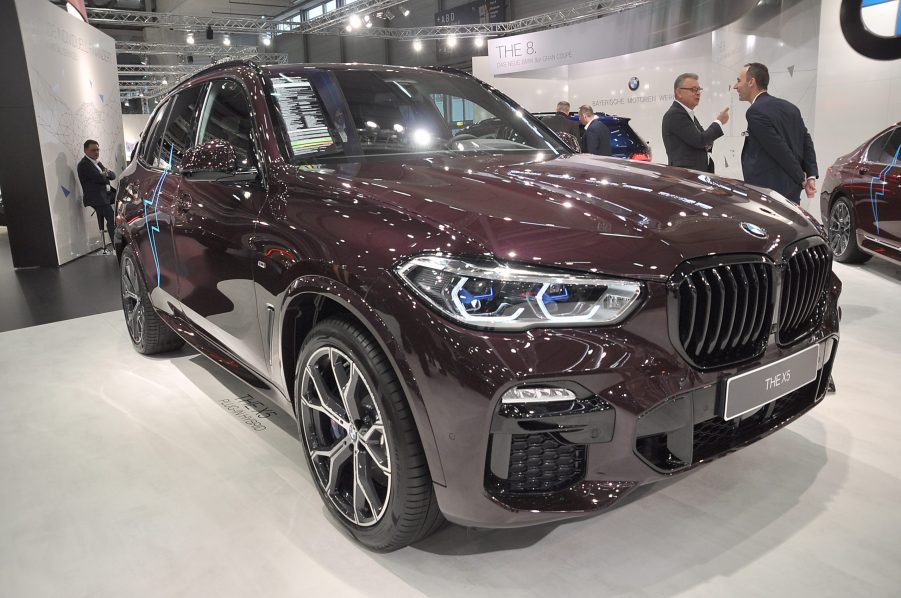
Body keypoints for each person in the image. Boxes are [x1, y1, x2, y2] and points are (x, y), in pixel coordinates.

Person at [734, 62, 818, 203]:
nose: (736, 86)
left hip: (768, 192)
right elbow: (806, 141)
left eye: (738, 81)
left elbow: (779, 149)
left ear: (751, 82)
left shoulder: (755, 112)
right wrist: (811, 175)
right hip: (792, 190)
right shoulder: (791, 108)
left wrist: (802, 179)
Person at [662, 73, 730, 172]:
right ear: (679, 92)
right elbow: (700, 140)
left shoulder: (687, 113)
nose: (698, 93)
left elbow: (703, 140)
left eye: (699, 89)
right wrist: (719, 121)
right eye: (693, 89)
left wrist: (706, 142)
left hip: (694, 174)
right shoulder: (675, 114)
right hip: (685, 176)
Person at [77, 139, 117, 243]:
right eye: (93, 150)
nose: (96, 152)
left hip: (106, 194)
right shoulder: (83, 165)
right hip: (96, 198)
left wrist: (105, 174)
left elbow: (112, 175)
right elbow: (99, 179)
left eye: (98, 150)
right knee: (111, 218)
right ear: (85, 151)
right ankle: (116, 247)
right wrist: (104, 175)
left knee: (123, 199)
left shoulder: (97, 163)